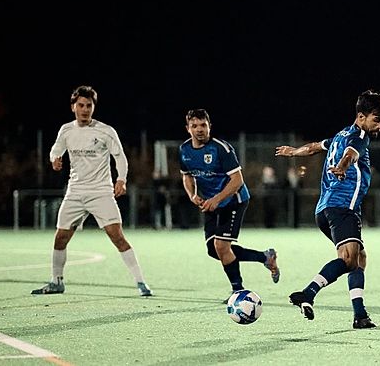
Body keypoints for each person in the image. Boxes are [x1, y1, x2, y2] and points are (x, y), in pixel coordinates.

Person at [274, 89, 380, 329]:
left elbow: (314, 147)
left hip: (325, 209)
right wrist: (342, 166)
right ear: (361, 117)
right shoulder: (360, 136)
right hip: (342, 206)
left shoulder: (340, 135)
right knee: (349, 260)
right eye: (377, 119)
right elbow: (351, 154)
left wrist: (294, 151)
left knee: (359, 258)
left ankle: (360, 315)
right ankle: (308, 293)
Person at [31, 85, 152, 297]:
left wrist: (121, 180)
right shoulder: (66, 130)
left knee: (117, 237)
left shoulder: (105, 131)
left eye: (89, 105)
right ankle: (56, 281)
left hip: (101, 193)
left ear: (94, 107)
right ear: (73, 107)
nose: (85, 110)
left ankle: (141, 282)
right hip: (75, 193)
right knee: (60, 238)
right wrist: (54, 159)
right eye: (81, 105)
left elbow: (120, 157)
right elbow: (55, 150)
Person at [179, 109, 279, 297]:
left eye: (203, 125)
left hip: (234, 200)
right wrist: (192, 195)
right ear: (188, 129)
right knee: (213, 250)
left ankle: (238, 291)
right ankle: (265, 257)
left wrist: (216, 199)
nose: (199, 129)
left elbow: (237, 180)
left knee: (221, 246)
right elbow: (187, 176)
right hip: (211, 204)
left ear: (210, 127)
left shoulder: (221, 149)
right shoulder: (184, 150)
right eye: (194, 126)